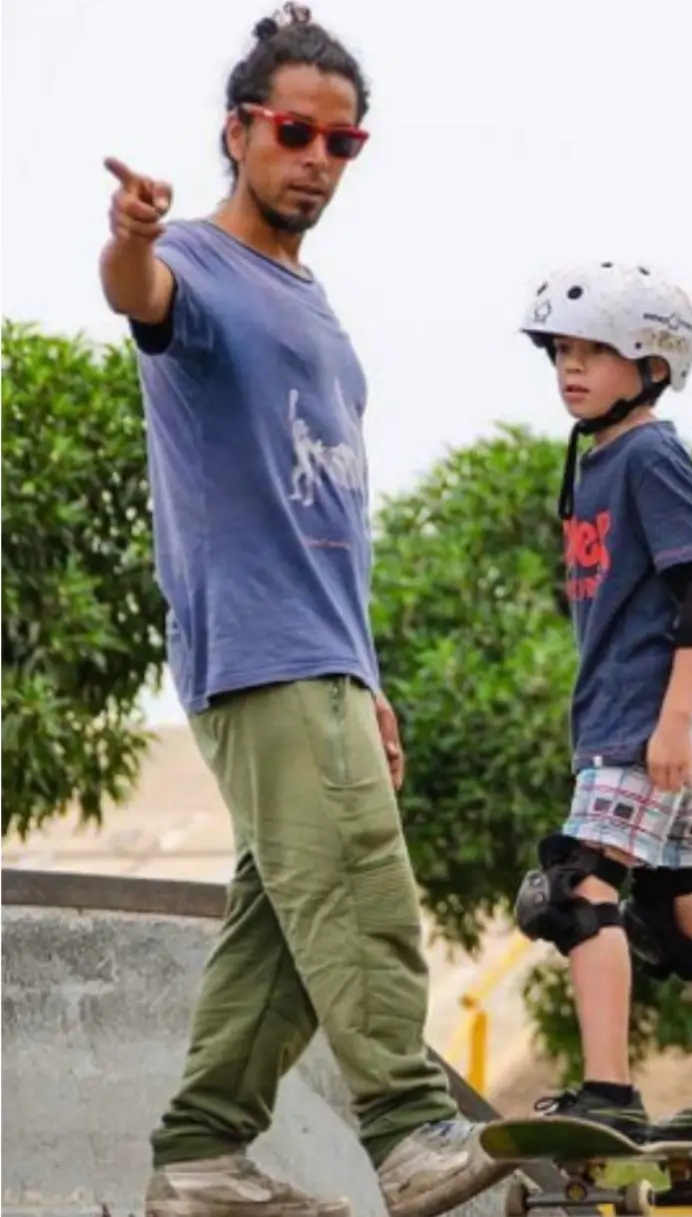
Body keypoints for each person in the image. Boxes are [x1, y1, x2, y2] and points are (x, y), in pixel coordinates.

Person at [96, 7, 507, 1216]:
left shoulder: (313, 303)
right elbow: (141, 292)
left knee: (280, 926)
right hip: (259, 646)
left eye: (344, 142)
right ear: (240, 131)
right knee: (362, 888)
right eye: (294, 133)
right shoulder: (199, 270)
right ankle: (408, 1128)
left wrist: (368, 676)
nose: (317, 159)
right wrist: (124, 236)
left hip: (324, 650)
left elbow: (339, 519)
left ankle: (201, 1154)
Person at [511, 262, 692, 1147]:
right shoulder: (595, 460)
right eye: (562, 349)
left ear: (653, 365)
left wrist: (672, 719)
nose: (571, 366)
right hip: (628, 720)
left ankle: (609, 1091)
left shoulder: (648, 453)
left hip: (645, 724)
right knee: (676, 910)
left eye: (595, 351)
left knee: (574, 887)